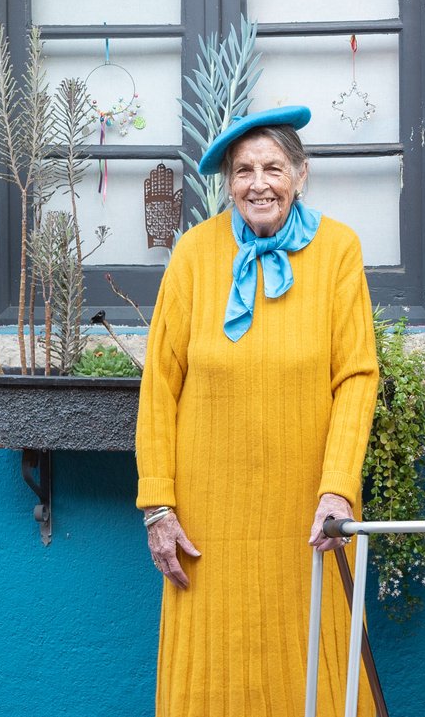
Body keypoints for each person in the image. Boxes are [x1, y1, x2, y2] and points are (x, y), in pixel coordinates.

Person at [136, 105, 379, 717]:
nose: (258, 183)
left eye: (273, 167)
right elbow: (159, 385)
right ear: (227, 184)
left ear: (301, 175)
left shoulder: (338, 250)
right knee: (213, 670)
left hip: (307, 508)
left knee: (312, 664)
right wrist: (157, 506)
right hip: (207, 516)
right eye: (242, 170)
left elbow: (356, 376)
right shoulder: (194, 253)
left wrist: (338, 488)